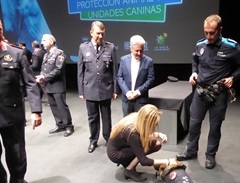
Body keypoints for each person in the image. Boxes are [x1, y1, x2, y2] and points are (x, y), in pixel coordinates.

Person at [176, 14, 240, 169]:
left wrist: (233, 77)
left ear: (220, 30)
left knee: (215, 126)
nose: (208, 36)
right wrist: (194, 72)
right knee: (194, 123)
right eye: (206, 32)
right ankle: (191, 151)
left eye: (212, 33)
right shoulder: (200, 45)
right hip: (200, 92)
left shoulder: (231, 46)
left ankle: (210, 156)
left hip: (219, 94)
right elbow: (195, 60)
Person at [0, 19, 42, 183]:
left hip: (12, 114)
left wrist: (36, 111)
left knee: (16, 154)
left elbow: (30, 83)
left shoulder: (15, 54)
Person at [77, 21, 118, 153]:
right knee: (92, 117)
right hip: (90, 89)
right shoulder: (83, 48)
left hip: (106, 88)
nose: (100, 36)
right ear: (91, 33)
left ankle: (109, 139)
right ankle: (93, 140)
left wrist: (115, 89)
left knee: (106, 117)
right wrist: (81, 91)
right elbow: (80, 71)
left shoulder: (110, 48)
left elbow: (114, 71)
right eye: (98, 33)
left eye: (102, 33)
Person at [107, 104, 172, 182]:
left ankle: (128, 163)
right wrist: (167, 161)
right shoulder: (132, 133)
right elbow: (143, 161)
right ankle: (129, 169)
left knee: (156, 144)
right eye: (155, 124)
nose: (156, 125)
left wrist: (159, 134)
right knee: (147, 146)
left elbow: (143, 134)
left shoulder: (137, 118)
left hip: (123, 146)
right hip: (116, 154)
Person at [36, 34, 74, 137]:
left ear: (51, 42)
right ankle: (60, 124)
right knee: (53, 106)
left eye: (44, 40)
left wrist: (45, 77)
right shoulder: (46, 54)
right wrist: (41, 76)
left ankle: (69, 126)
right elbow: (43, 69)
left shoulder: (59, 54)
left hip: (57, 85)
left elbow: (58, 70)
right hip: (48, 85)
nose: (42, 42)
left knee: (61, 106)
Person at [117, 35, 155, 117]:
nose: (139, 53)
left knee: (140, 125)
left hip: (141, 100)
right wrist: (127, 92)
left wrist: (138, 92)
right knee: (127, 125)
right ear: (131, 48)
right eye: (136, 51)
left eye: (141, 51)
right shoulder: (124, 60)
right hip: (127, 99)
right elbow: (120, 77)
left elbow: (151, 79)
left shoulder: (149, 61)